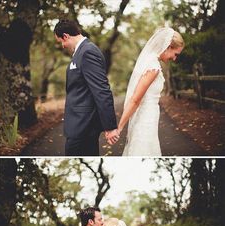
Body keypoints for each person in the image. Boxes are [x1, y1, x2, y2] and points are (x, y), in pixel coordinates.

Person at [54, 19, 119, 156]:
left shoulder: (88, 52)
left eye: (61, 41)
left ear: (66, 36)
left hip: (83, 125)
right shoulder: (81, 51)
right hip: (80, 125)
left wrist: (110, 126)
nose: (63, 45)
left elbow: (102, 90)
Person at [117, 27, 185, 156]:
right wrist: (119, 127)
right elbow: (135, 99)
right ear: (168, 47)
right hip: (145, 119)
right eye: (175, 54)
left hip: (148, 117)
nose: (174, 59)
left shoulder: (149, 60)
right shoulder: (153, 67)